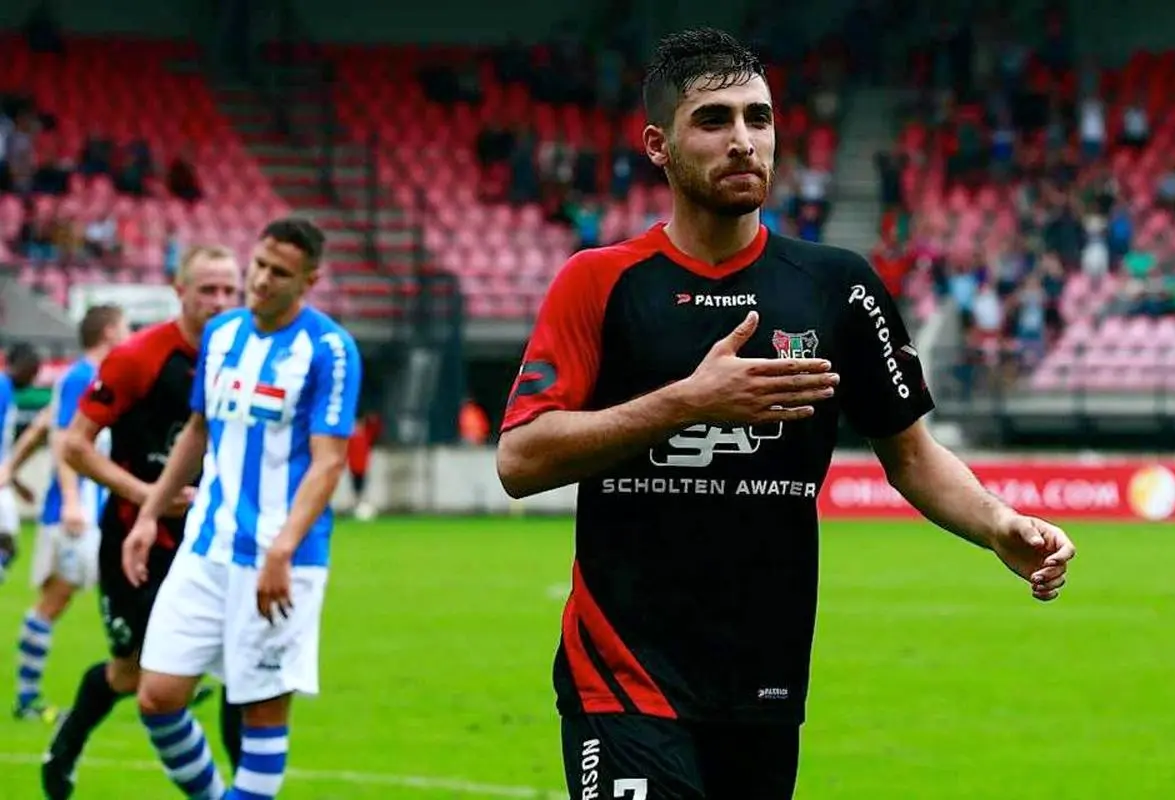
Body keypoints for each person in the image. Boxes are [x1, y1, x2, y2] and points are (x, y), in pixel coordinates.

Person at [495, 29, 1078, 800]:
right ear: (658, 145)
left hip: (764, 679)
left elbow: (911, 455)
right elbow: (521, 459)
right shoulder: (598, 283)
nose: (743, 140)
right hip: (622, 673)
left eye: (759, 118)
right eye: (713, 120)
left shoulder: (836, 287)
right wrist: (688, 402)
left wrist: (997, 523)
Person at [123, 217, 362, 799]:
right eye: (258, 265)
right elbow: (197, 430)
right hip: (207, 546)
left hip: (280, 559)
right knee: (157, 697)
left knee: (261, 717)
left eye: (279, 272)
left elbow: (329, 462)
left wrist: (283, 549)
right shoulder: (222, 334)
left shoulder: (329, 349)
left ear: (309, 281)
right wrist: (151, 513)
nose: (260, 280)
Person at [40, 245, 243, 799]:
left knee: (242, 670)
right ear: (180, 291)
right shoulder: (138, 357)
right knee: (132, 675)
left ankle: (244, 790)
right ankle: (66, 745)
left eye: (229, 290)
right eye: (208, 290)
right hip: (137, 539)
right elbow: (75, 445)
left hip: (215, 541)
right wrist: (147, 496)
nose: (220, 301)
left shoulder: (248, 360)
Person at [14, 307, 128, 722]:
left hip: (96, 512)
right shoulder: (81, 376)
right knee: (55, 600)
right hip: (74, 514)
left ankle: (160, 681)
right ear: (109, 331)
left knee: (129, 590)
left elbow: (42, 426)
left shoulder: (95, 378)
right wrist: (71, 500)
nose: (129, 333)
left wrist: (11, 469)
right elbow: (62, 438)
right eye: (124, 326)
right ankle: (26, 698)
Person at [0, 342, 43, 582]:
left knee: (8, 544)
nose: (34, 379)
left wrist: (16, 484)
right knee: (7, 542)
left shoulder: (7, 392)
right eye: (33, 371)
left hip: (4, 480)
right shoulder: (2, 389)